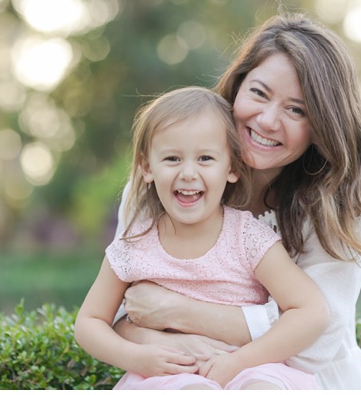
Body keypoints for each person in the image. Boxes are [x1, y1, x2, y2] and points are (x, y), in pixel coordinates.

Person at [113, 12, 361, 389]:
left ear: (322, 126)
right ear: (237, 88)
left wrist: (179, 311)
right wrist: (177, 348)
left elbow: (313, 345)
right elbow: (126, 312)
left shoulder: (341, 204)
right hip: (180, 375)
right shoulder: (164, 186)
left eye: (296, 110)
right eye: (259, 93)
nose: (268, 121)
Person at [75, 86, 330, 390]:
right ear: (147, 167)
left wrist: (240, 362)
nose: (188, 173)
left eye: (205, 158)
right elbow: (89, 323)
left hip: (250, 370)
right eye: (172, 158)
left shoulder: (247, 238)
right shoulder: (134, 247)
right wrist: (137, 357)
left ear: (232, 167)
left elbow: (311, 311)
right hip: (166, 378)